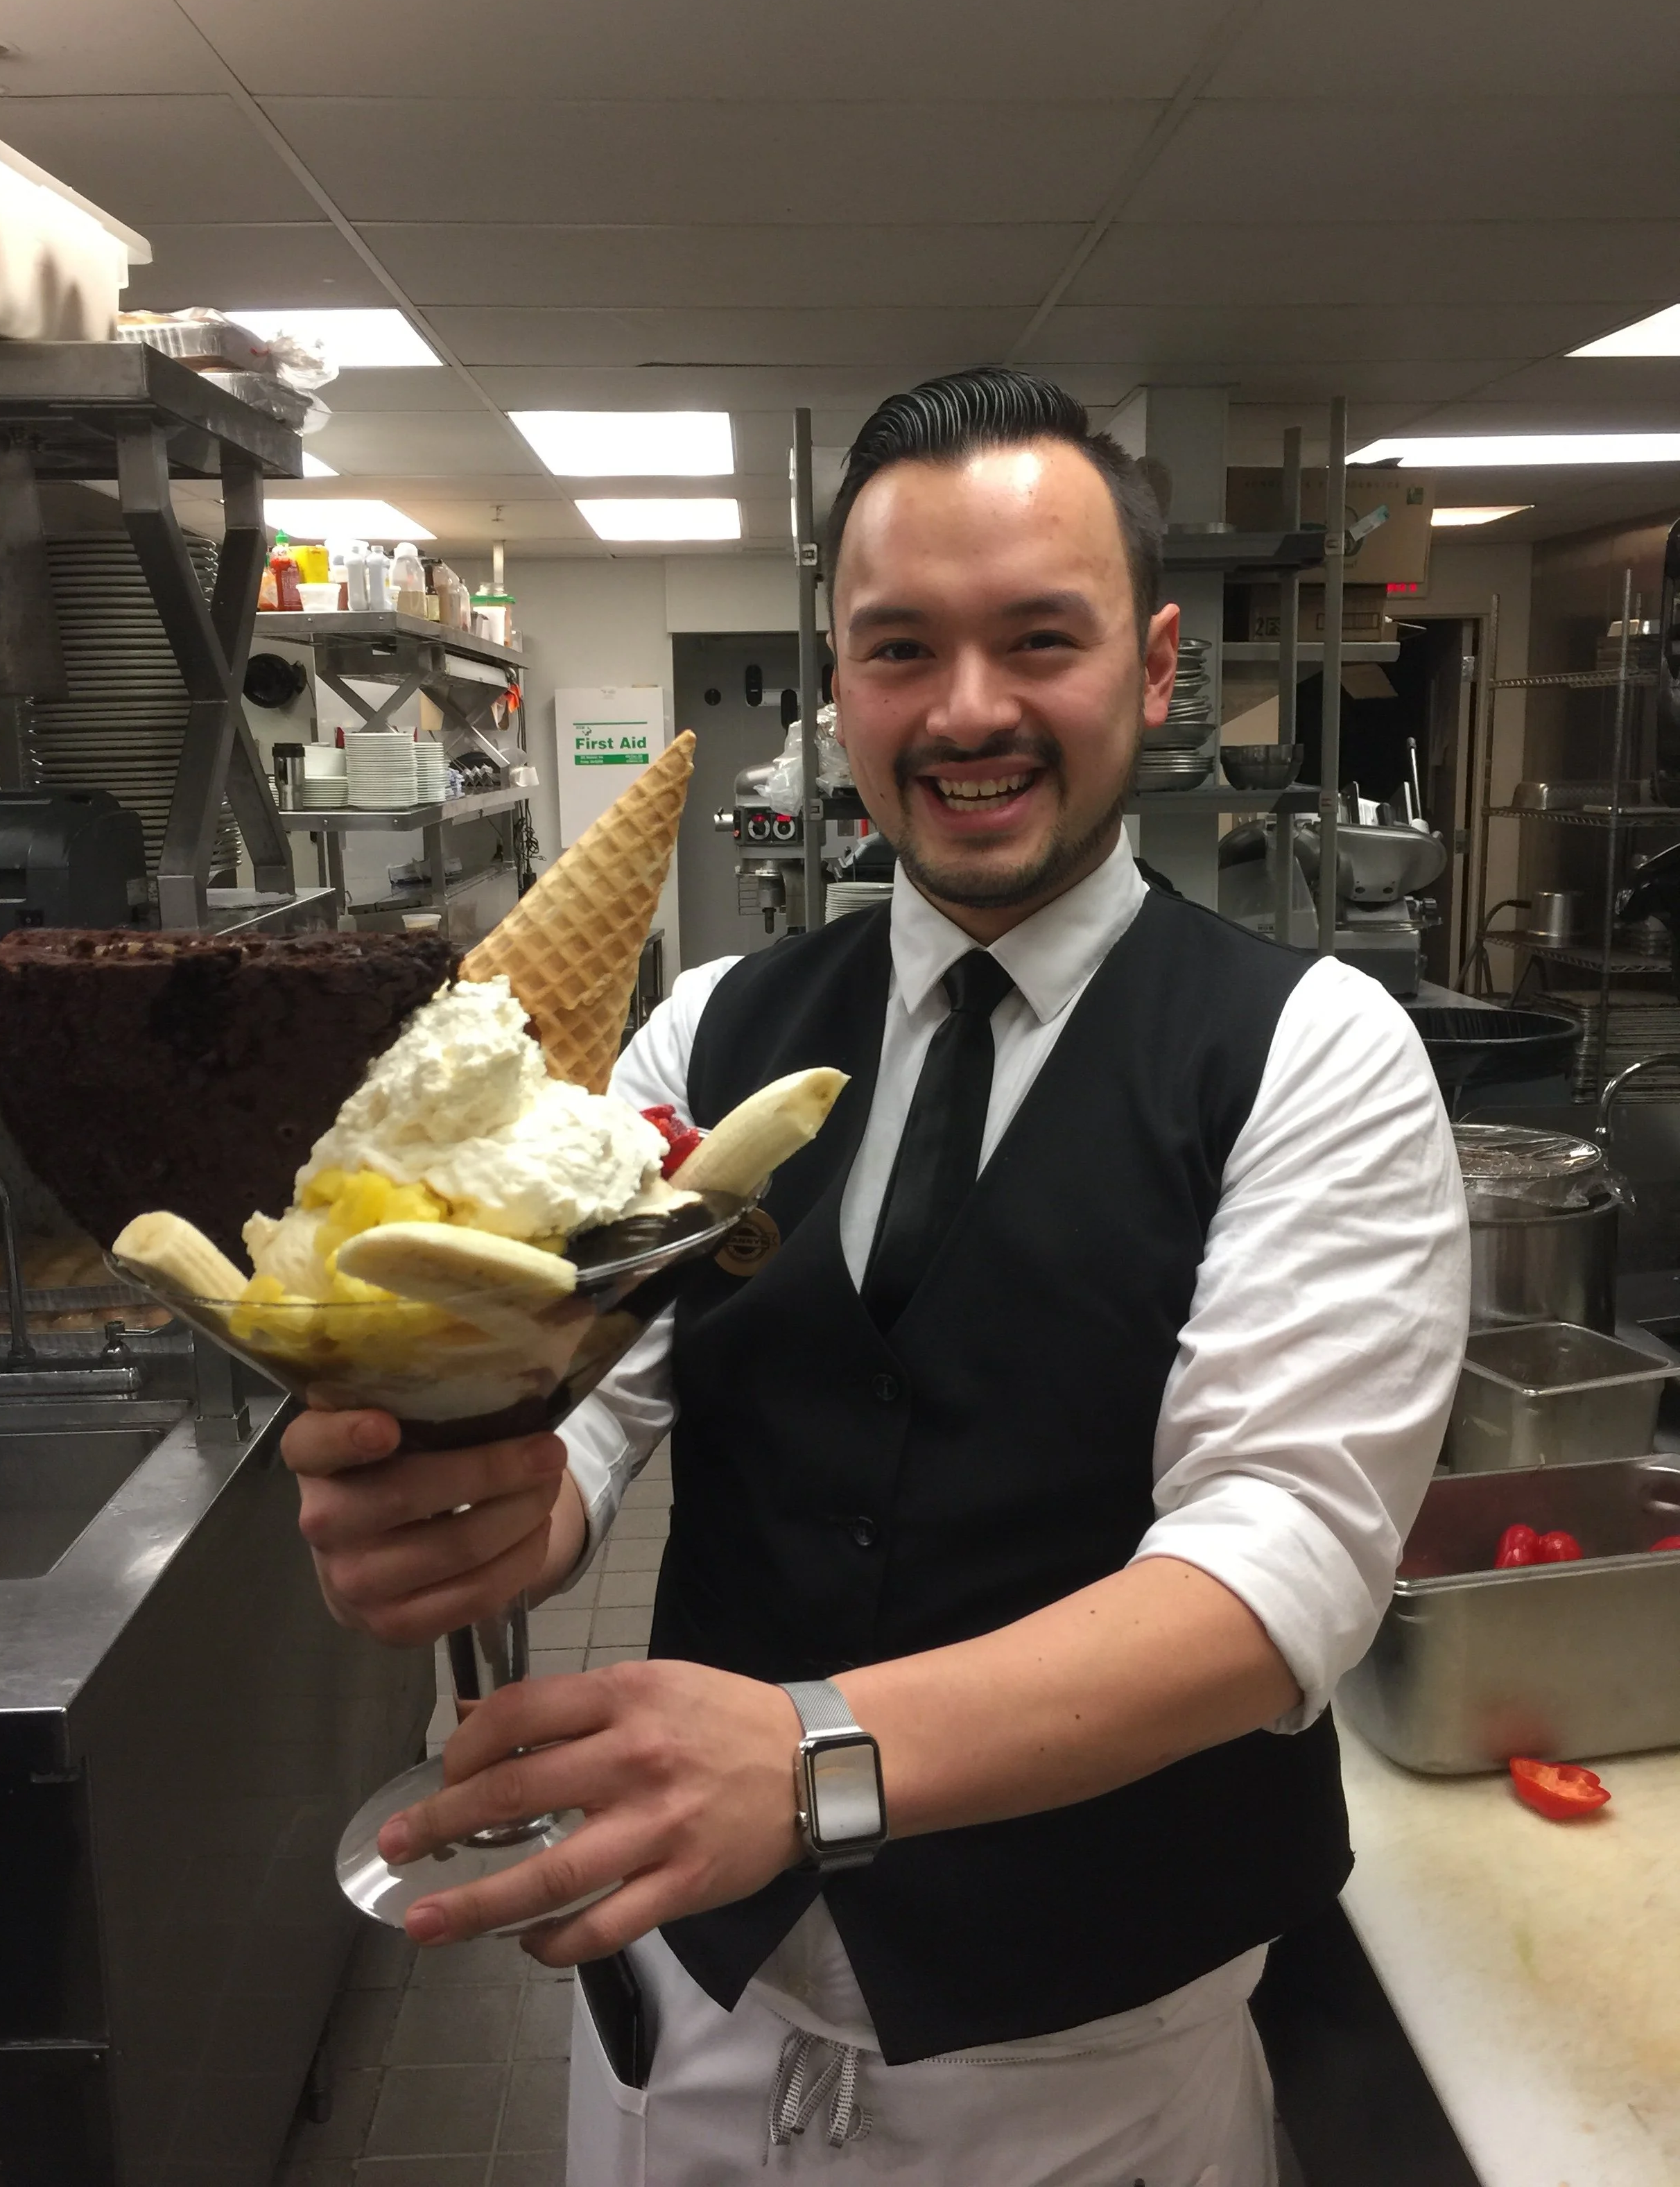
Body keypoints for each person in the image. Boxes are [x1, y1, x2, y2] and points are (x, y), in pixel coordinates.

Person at [286, 368, 1469, 2186]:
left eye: (1040, 640)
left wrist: (810, 1753)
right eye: (902, 648)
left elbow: (1277, 1567)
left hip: (1082, 2068)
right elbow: (594, 1380)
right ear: (834, 683)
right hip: (695, 2011)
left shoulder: (1311, 1052)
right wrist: (501, 1501)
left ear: (1155, 670)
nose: (968, 709)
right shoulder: (709, 1032)